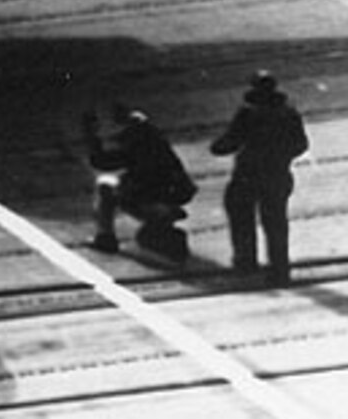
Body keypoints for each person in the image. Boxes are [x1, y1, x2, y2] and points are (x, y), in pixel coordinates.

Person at [210, 70, 310, 284]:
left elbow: (228, 142)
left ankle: (246, 264)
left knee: (241, 217)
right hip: (277, 174)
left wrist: (218, 146)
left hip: (248, 174)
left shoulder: (248, 113)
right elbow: (301, 144)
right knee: (276, 224)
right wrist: (281, 157)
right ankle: (280, 269)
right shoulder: (288, 112)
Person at [85, 103, 196, 262]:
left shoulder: (134, 145)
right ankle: (161, 228)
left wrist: (91, 138)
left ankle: (105, 237)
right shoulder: (156, 140)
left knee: (105, 185)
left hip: (151, 199)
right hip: (172, 195)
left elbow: (101, 162)